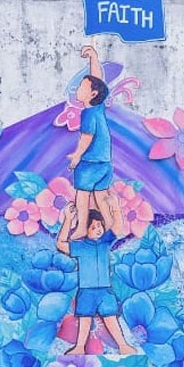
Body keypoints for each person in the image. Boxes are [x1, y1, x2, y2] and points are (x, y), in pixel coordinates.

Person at [56, 202, 135, 355]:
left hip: (105, 290)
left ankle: (123, 345)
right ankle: (80, 347)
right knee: (85, 319)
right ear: (84, 230)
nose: (98, 229)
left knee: (111, 317)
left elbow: (118, 226)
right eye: (93, 227)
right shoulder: (80, 247)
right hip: (86, 291)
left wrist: (115, 207)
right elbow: (60, 244)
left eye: (99, 225)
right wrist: (68, 219)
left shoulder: (105, 242)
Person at [67, 43, 114, 239]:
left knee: (82, 195)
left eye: (81, 87)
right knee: (101, 197)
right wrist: (94, 59)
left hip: (90, 162)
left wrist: (77, 156)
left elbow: (87, 137)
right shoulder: (98, 107)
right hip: (104, 162)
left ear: (92, 94)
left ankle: (80, 228)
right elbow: (98, 80)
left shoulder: (88, 114)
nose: (77, 89)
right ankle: (109, 225)